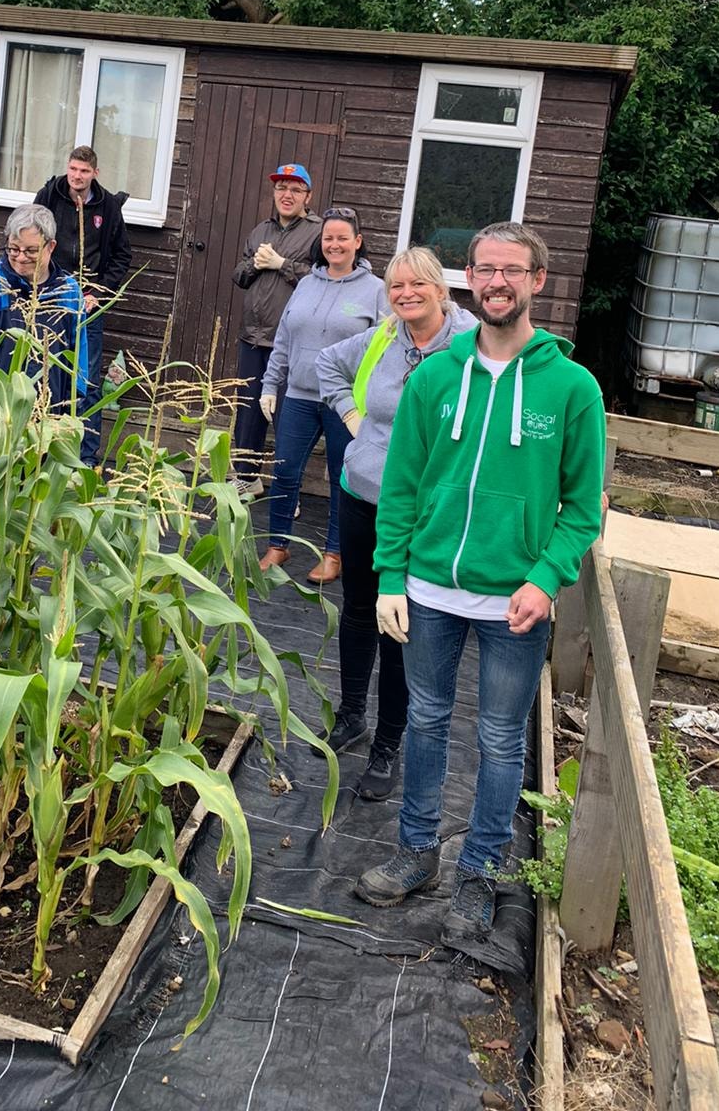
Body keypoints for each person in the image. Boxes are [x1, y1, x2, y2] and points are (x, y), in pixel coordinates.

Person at [354, 222, 606, 945]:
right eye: (486, 269)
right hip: (429, 590)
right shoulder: (435, 377)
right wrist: (391, 575)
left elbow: (583, 508)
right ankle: (416, 852)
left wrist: (546, 579)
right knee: (426, 721)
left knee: (500, 739)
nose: (497, 282)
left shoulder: (572, 387)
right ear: (470, 277)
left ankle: (481, 870)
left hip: (515, 602)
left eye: (512, 271)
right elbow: (401, 488)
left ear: (536, 281)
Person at [315, 248, 478, 800]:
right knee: (360, 610)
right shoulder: (384, 337)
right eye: (396, 286)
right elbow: (327, 364)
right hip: (362, 493)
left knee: (401, 626)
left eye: (417, 284)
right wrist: (353, 419)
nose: (406, 294)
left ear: (441, 289)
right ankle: (351, 716)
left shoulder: (470, 346)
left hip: (422, 512)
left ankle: (387, 746)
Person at [258, 207, 387, 583]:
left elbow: (385, 347)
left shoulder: (376, 290)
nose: (335, 244)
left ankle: (334, 553)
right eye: (328, 238)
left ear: (357, 242)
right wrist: (270, 385)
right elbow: (284, 338)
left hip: (344, 402)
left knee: (340, 477)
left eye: (342, 238)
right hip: (299, 396)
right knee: (285, 471)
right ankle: (277, 545)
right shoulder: (306, 284)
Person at [35, 148, 131, 464]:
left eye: (84, 171)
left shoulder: (108, 206)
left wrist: (98, 294)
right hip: (50, 299)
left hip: (88, 304)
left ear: (95, 173)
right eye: (74, 169)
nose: (77, 176)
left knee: (86, 382)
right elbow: (32, 241)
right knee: (45, 373)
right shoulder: (49, 196)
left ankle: (86, 456)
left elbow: (121, 256)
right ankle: (41, 448)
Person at [230, 164, 323, 491]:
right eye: (281, 188)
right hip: (252, 337)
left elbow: (323, 278)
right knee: (248, 413)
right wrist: (254, 264)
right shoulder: (261, 230)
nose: (287, 195)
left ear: (308, 196)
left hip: (292, 342)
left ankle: (287, 491)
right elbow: (239, 276)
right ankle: (247, 478)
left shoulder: (318, 232)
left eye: (296, 189)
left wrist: (282, 264)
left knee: (288, 417)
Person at [0, 203, 88, 411]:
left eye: (31, 250)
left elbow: (78, 356)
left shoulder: (69, 292)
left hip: (48, 417)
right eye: (13, 249)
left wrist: (72, 406)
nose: (21, 257)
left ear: (51, 246)